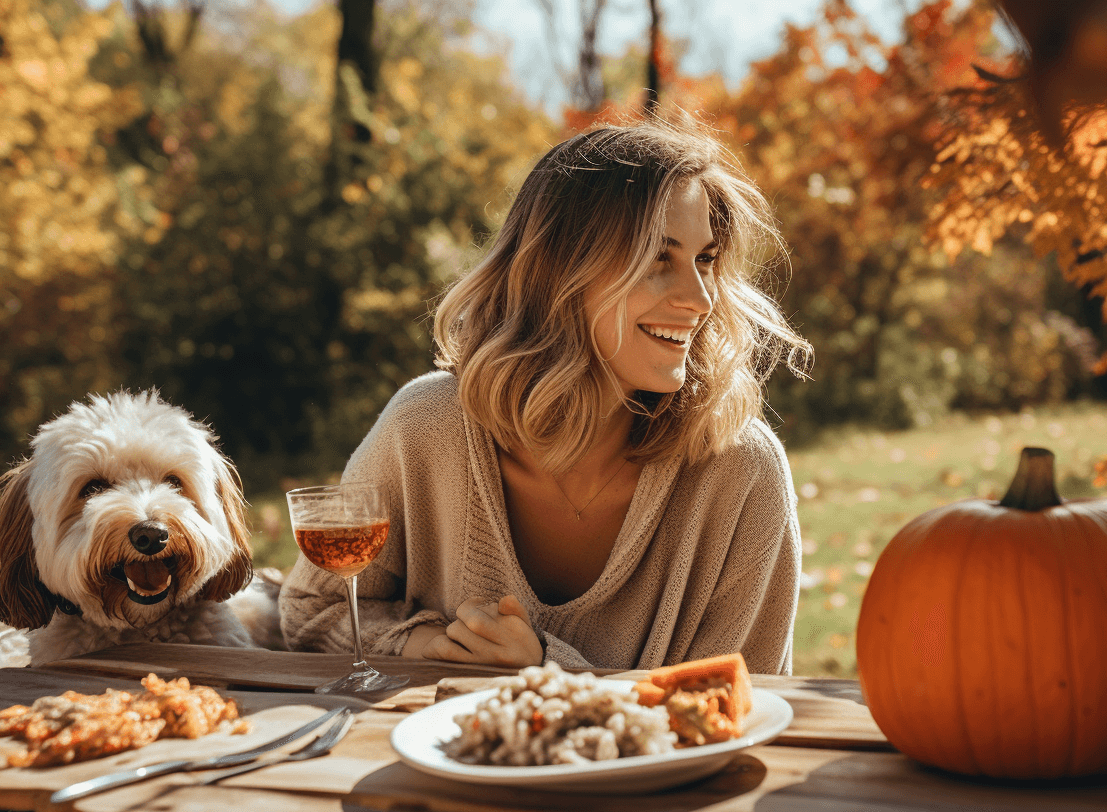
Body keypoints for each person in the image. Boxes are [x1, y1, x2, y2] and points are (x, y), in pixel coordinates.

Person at [279, 118, 811, 673]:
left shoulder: (741, 472)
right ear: (559, 272)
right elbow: (311, 614)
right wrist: (428, 645)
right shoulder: (425, 428)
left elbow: (739, 709)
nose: (699, 298)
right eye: (659, 257)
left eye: (705, 260)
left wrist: (547, 669)